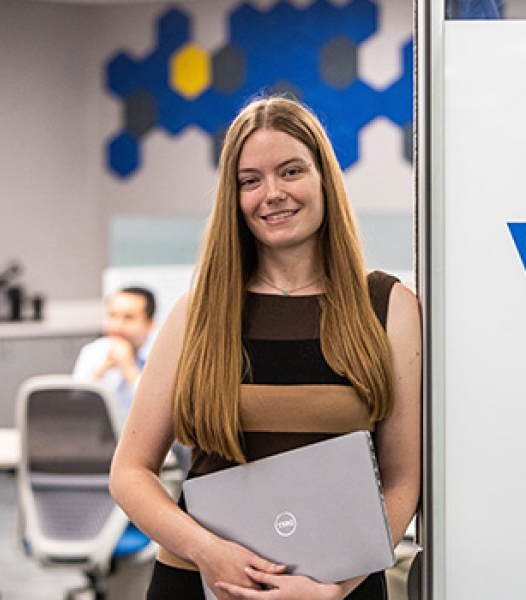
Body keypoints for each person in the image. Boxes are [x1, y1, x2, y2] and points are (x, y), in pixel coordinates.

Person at [109, 96, 422, 600]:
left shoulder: (388, 307)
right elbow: (129, 473)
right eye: (249, 180)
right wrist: (208, 551)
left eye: (291, 171)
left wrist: (334, 588)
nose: (272, 194)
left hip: (340, 588)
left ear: (324, 177)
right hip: (203, 582)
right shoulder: (198, 313)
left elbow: (402, 480)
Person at [73, 286, 156, 417]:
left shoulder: (162, 356)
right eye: (112, 316)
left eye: (128, 318)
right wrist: (102, 369)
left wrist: (128, 368)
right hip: (102, 436)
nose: (117, 325)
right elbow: (75, 407)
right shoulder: (93, 351)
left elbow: (157, 410)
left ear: (150, 323)